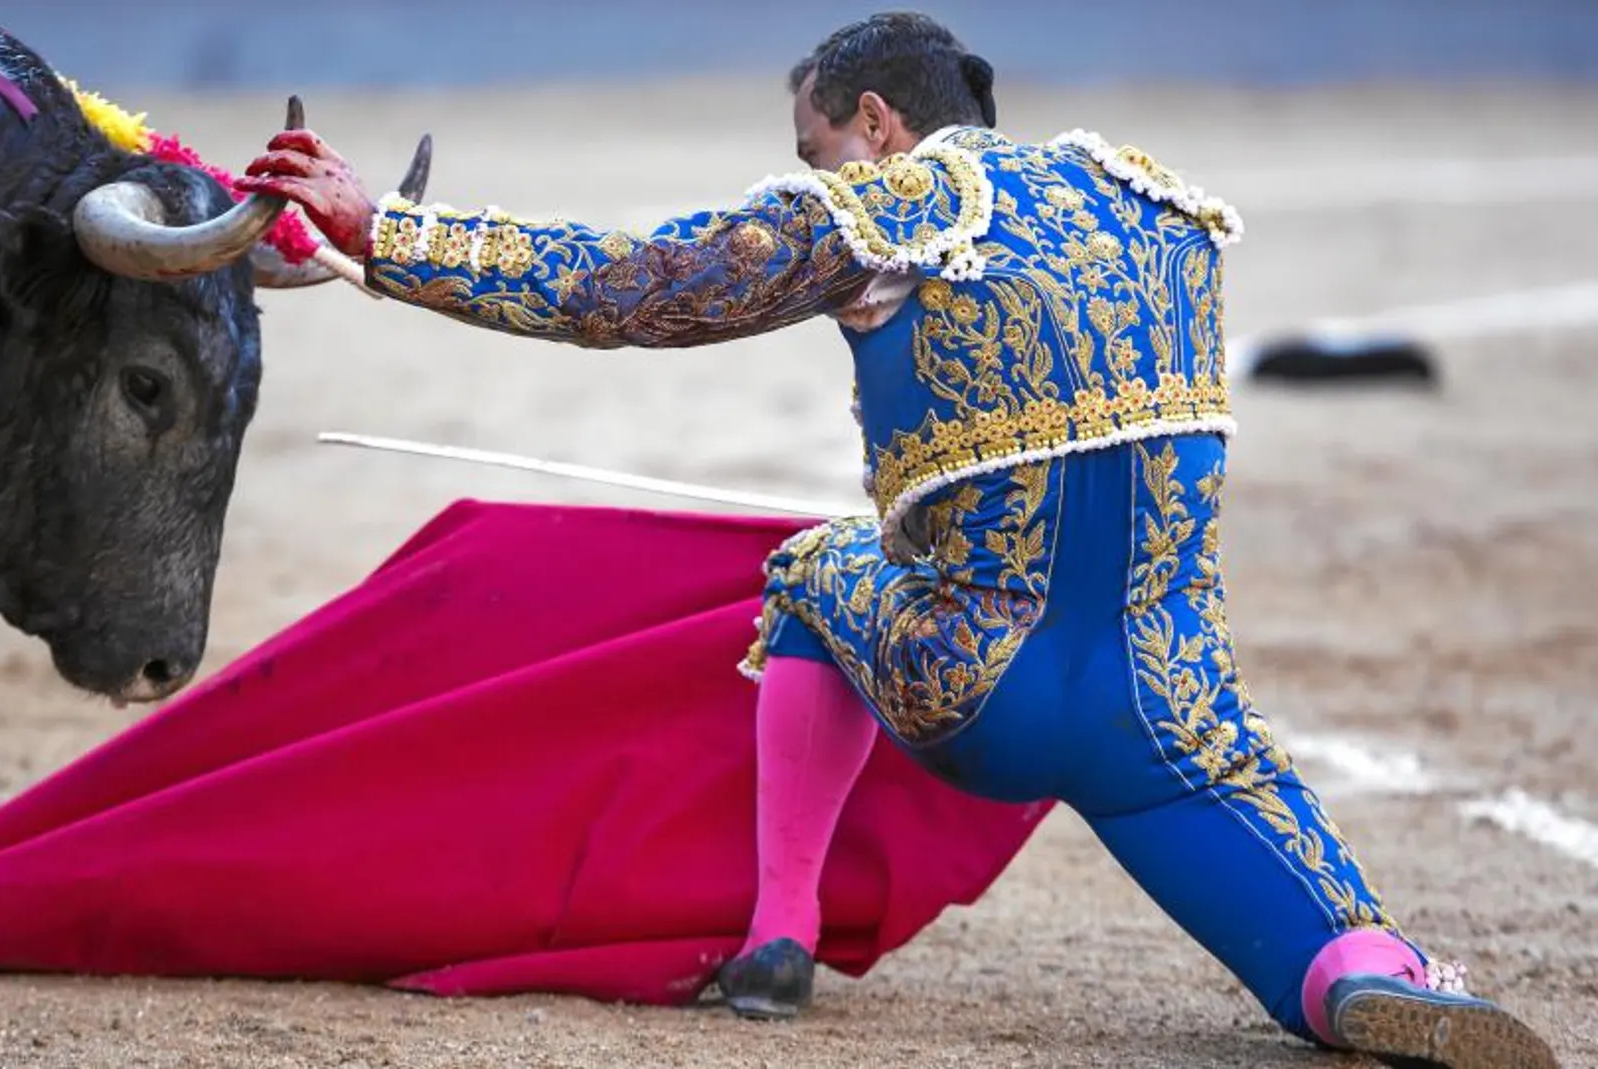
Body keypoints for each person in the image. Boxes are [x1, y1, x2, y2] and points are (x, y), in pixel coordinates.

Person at [233, 13, 1559, 1068]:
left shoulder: (885, 214)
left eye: (815, 149)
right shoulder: (1149, 203)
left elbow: (629, 286)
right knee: (1322, 942)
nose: (812, 174)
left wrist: (383, 232)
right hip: (1167, 701)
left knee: (817, 567)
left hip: (974, 681)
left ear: (876, 122)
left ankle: (780, 935)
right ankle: (1362, 979)